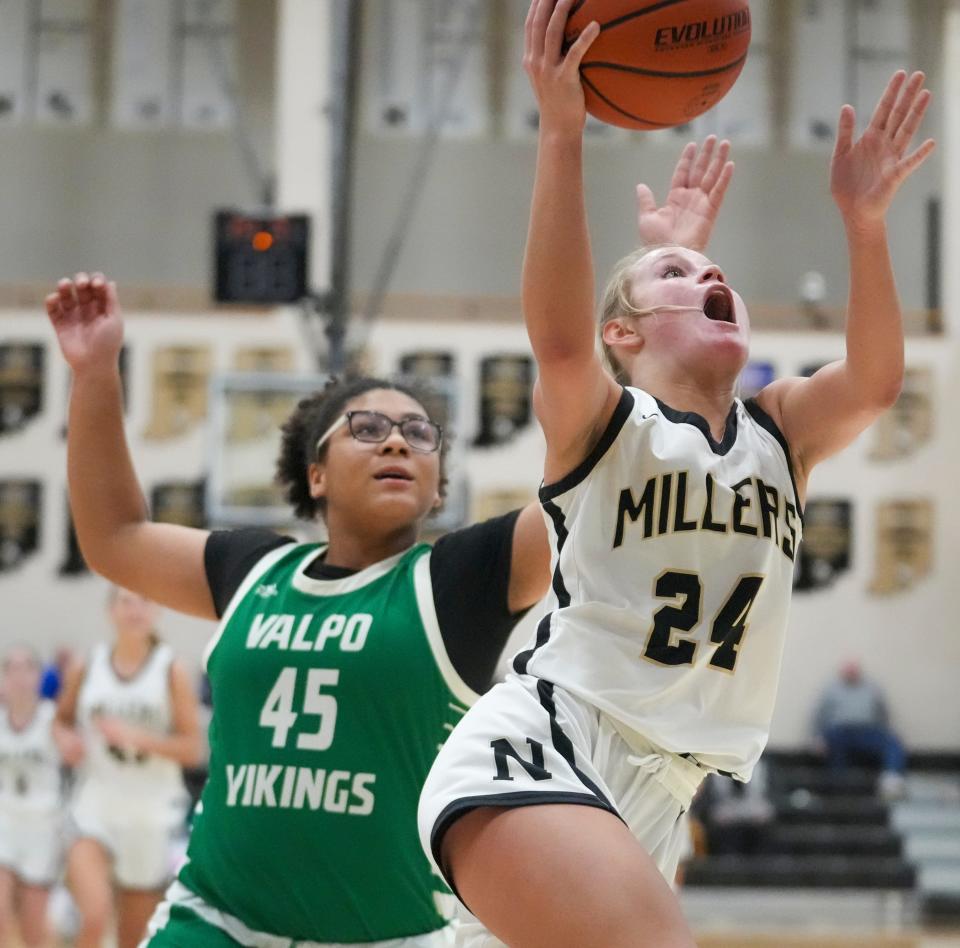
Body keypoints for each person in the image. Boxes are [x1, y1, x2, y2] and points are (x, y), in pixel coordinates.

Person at [417, 2, 934, 945]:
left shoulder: (779, 433)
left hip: (663, 789)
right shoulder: (607, 422)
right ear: (625, 331)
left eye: (715, 270)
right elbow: (562, 334)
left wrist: (865, 224)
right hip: (549, 746)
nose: (706, 277)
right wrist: (564, 129)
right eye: (674, 277)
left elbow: (874, 381)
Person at [44, 272, 553, 946]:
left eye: (418, 434)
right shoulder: (254, 569)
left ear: (437, 491)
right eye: (367, 428)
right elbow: (114, 540)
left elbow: (590, 505)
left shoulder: (457, 580)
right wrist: (96, 372)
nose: (396, 442)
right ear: (316, 473)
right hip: (217, 922)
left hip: (388, 936)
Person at [53, 587, 203, 948]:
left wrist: (137, 737)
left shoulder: (172, 670)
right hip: (95, 806)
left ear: (158, 613)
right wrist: (66, 741)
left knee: (132, 939)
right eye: (126, 601)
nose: (135, 610)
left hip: (150, 815)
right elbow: (60, 721)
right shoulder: (87, 664)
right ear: (110, 611)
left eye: (145, 601)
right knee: (94, 915)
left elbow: (193, 750)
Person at [0, 644, 63, 947]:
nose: (20, 675)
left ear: (40, 677)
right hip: (4, 823)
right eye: (12, 667)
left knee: (33, 932)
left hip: (42, 828)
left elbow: (80, 754)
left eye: (28, 667)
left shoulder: (54, 720)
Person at [814, 660, 906, 797]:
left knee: (892, 742)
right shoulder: (831, 690)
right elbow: (819, 716)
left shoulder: (872, 688)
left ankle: (891, 779)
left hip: (867, 731)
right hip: (840, 732)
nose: (851, 674)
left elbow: (883, 714)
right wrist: (817, 737)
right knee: (833, 743)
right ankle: (839, 785)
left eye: (854, 671)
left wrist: (884, 730)